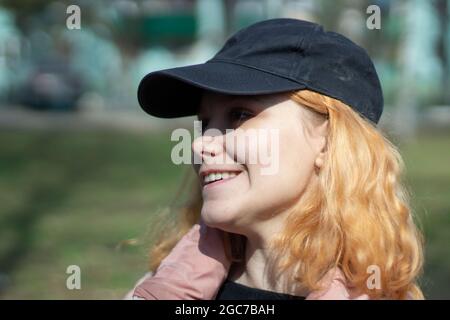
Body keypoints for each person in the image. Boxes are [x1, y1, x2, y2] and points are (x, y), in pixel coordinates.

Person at [127, 18, 424, 300]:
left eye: (240, 114)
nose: (201, 144)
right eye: (204, 122)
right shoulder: (166, 285)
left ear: (327, 140)